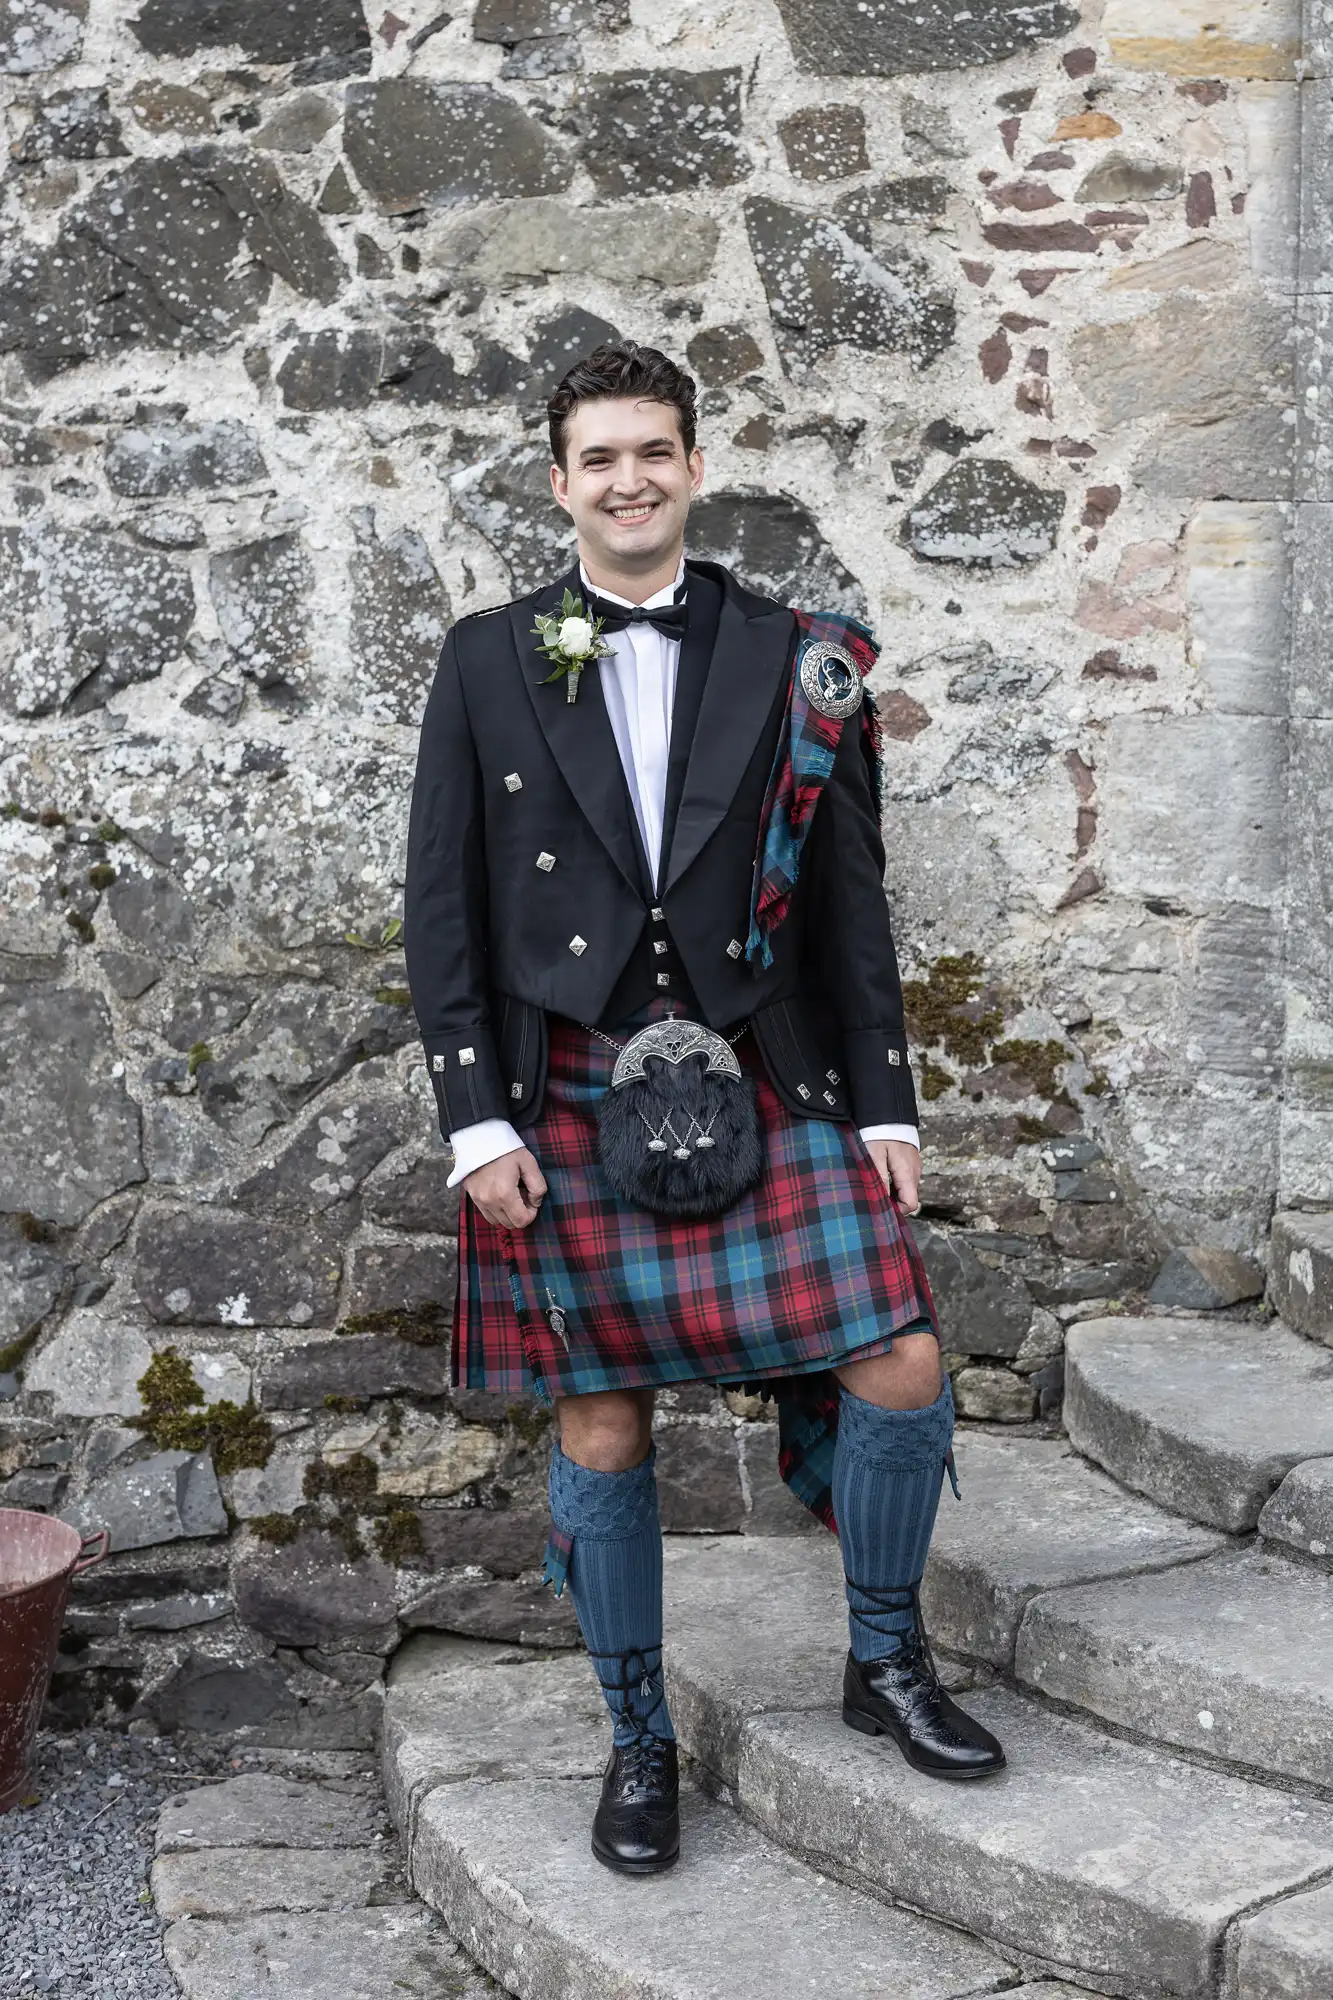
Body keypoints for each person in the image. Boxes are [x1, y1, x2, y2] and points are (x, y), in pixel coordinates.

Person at [403, 341, 1005, 1878]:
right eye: (598, 457)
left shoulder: (795, 653)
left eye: (653, 451)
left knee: (899, 1352)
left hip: (763, 1061)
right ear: (559, 482)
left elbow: (853, 901)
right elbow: (446, 910)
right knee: (606, 1418)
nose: (628, 479)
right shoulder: (488, 657)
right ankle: (636, 1738)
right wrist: (478, 1122)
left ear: (694, 465)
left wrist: (886, 1102)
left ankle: (882, 1664)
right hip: (573, 1086)